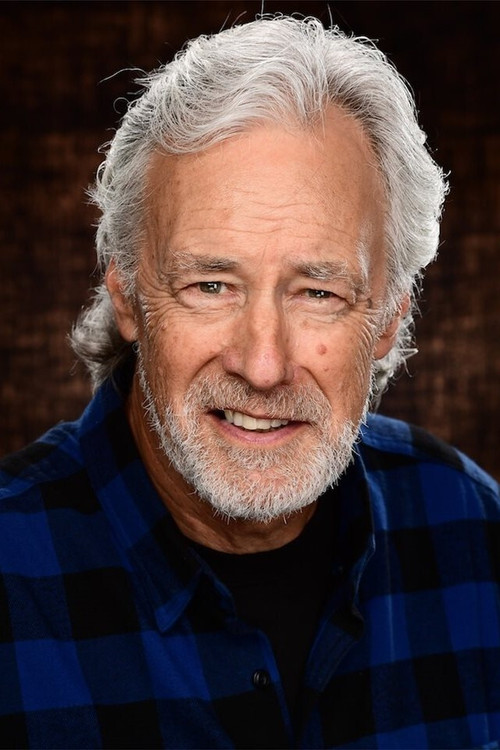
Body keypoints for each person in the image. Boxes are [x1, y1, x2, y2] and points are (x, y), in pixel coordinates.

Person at [0, 14, 499, 750]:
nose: (262, 366)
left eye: (318, 292)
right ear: (127, 295)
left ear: (389, 319)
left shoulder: (474, 531)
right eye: (211, 285)